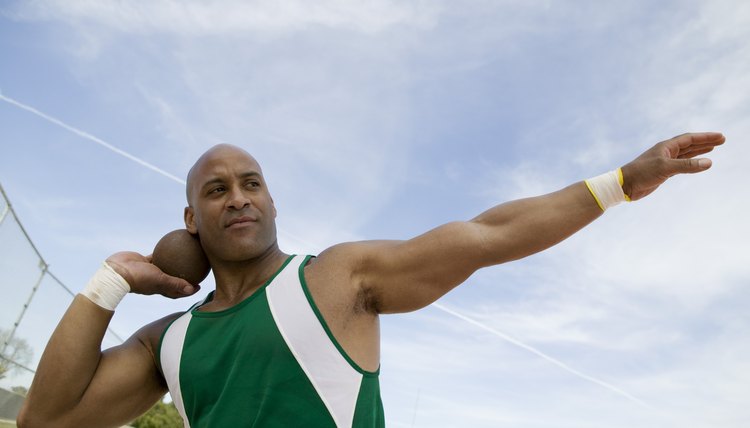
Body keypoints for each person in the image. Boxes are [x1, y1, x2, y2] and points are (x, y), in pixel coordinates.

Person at [17, 132, 725, 427]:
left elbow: (489, 236)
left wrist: (626, 180)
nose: (238, 197)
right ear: (190, 219)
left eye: (252, 183)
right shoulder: (167, 342)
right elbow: (46, 421)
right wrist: (110, 281)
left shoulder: (337, 276)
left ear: (271, 202)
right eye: (216, 189)